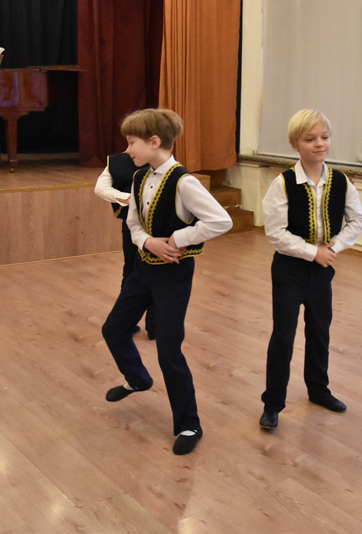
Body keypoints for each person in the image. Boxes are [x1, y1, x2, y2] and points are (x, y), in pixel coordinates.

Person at [101, 108, 232, 455]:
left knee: (169, 351)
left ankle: (190, 424)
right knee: (113, 329)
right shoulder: (139, 177)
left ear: (154, 142)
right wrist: (149, 242)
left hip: (173, 278)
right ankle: (137, 379)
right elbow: (133, 224)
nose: (128, 149)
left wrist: (178, 239)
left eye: (132, 142)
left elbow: (221, 221)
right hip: (141, 271)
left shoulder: (184, 182)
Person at [259, 109, 362, 429]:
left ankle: (318, 389)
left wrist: (333, 248)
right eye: (310, 139)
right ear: (295, 145)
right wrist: (312, 252)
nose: (320, 144)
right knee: (283, 336)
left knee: (320, 331)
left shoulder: (340, 181)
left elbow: (358, 219)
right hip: (289, 271)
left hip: (322, 271)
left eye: (324, 137)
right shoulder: (282, 183)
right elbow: (275, 233)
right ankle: (273, 403)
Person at [94, 153, 156, 338]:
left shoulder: (161, 161)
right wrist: (128, 198)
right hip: (137, 222)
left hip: (151, 223)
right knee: (137, 270)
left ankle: (142, 325)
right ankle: (139, 325)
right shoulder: (119, 161)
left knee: (142, 271)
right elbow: (100, 188)